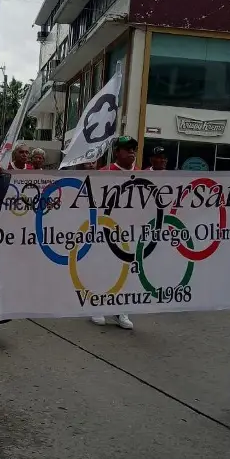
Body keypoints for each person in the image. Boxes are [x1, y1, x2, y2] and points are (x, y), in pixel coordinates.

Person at [89, 135, 138, 330]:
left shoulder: (143, 173)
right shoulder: (104, 172)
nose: (131, 152)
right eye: (127, 149)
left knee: (126, 270)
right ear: (117, 152)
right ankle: (97, 305)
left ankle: (120, 310)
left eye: (133, 148)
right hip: (107, 229)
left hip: (132, 231)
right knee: (104, 267)